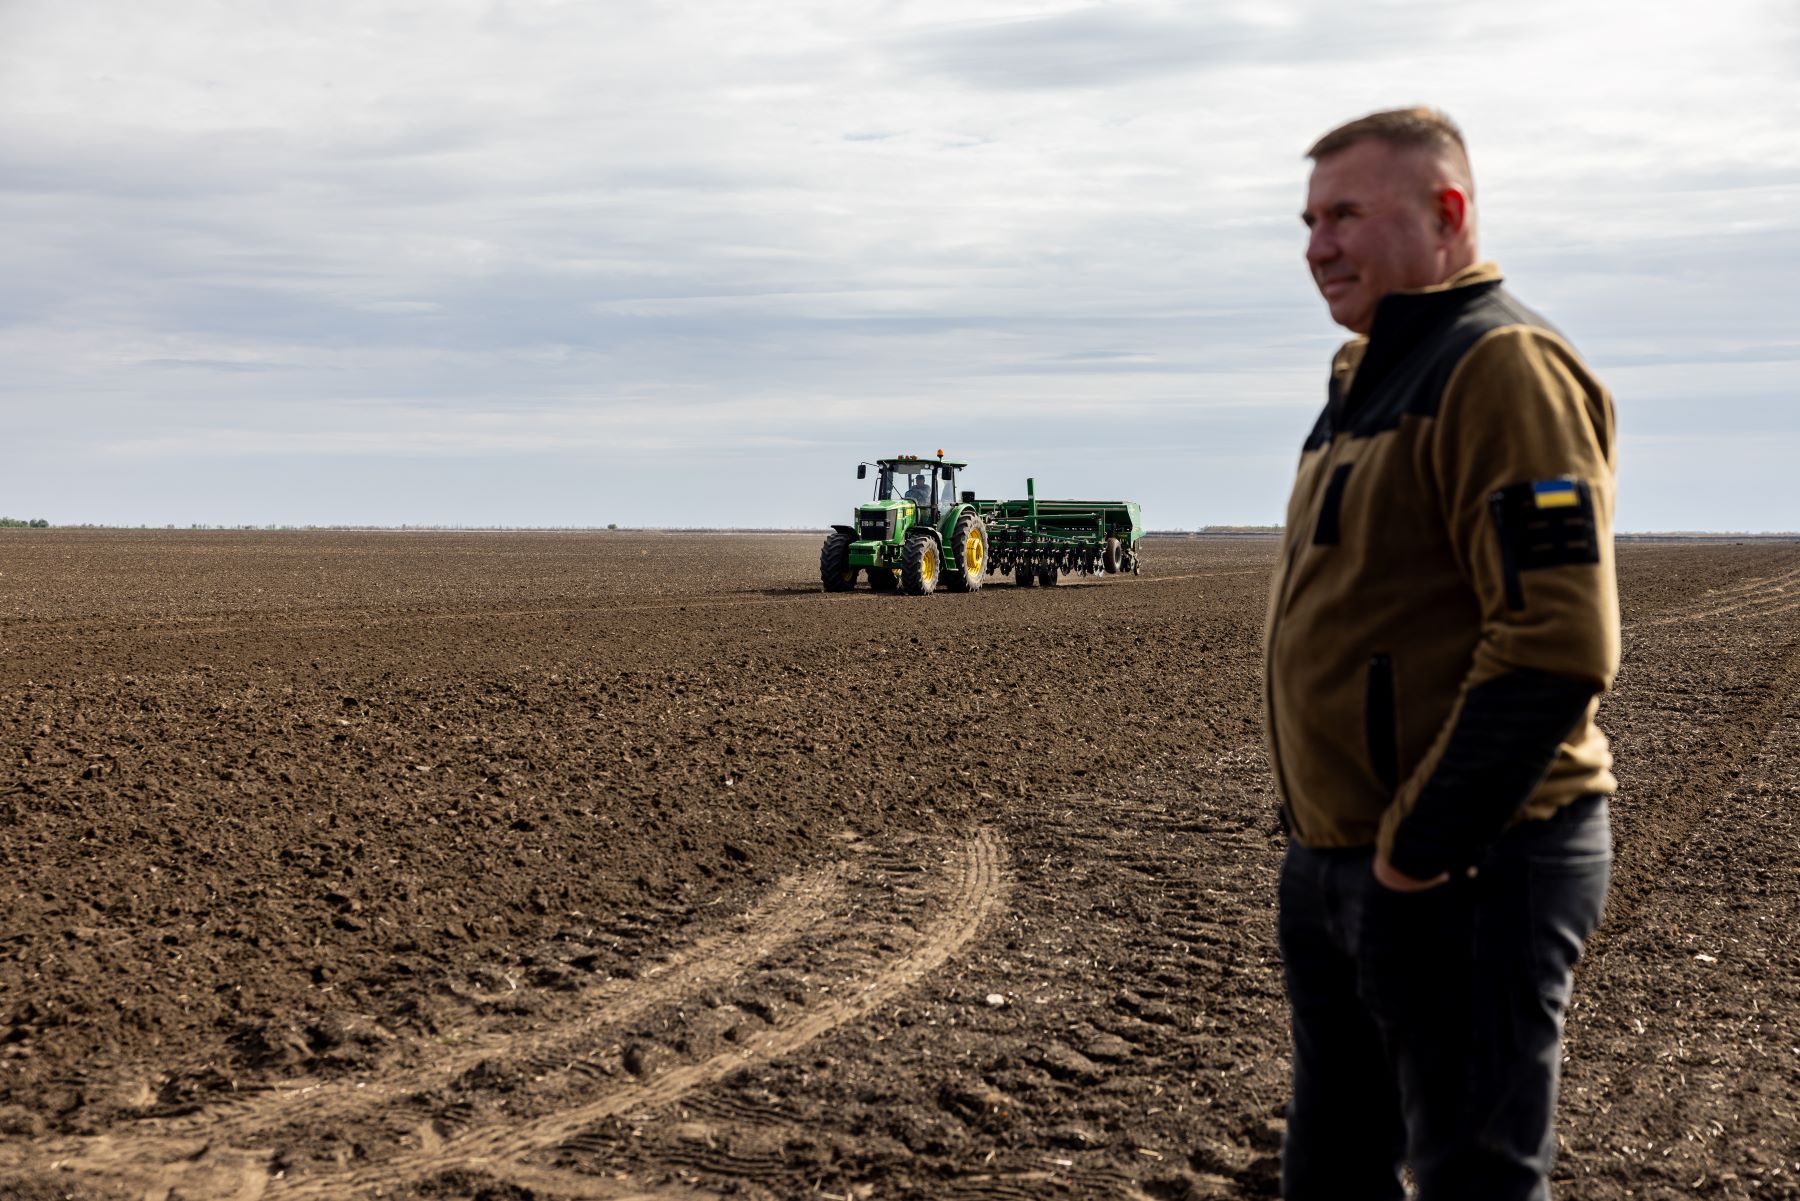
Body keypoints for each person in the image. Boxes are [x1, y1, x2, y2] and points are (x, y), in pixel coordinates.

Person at [1265, 107, 1618, 1200]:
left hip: (1473, 866)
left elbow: (1556, 645)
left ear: (1447, 214)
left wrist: (1415, 857)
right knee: (1331, 1172)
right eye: (1310, 219)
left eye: (1348, 215)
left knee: (1472, 1177)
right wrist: (1333, 861)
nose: (1318, 244)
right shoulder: (1364, 376)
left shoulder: (1501, 366)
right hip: (1345, 864)